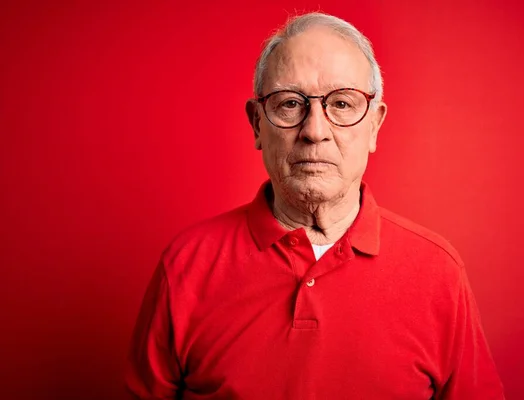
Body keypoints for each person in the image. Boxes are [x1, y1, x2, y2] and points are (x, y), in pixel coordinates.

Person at [125, 12, 504, 399]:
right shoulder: (187, 266)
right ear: (257, 124)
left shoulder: (439, 273)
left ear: (374, 126)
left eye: (341, 103)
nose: (315, 130)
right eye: (290, 104)